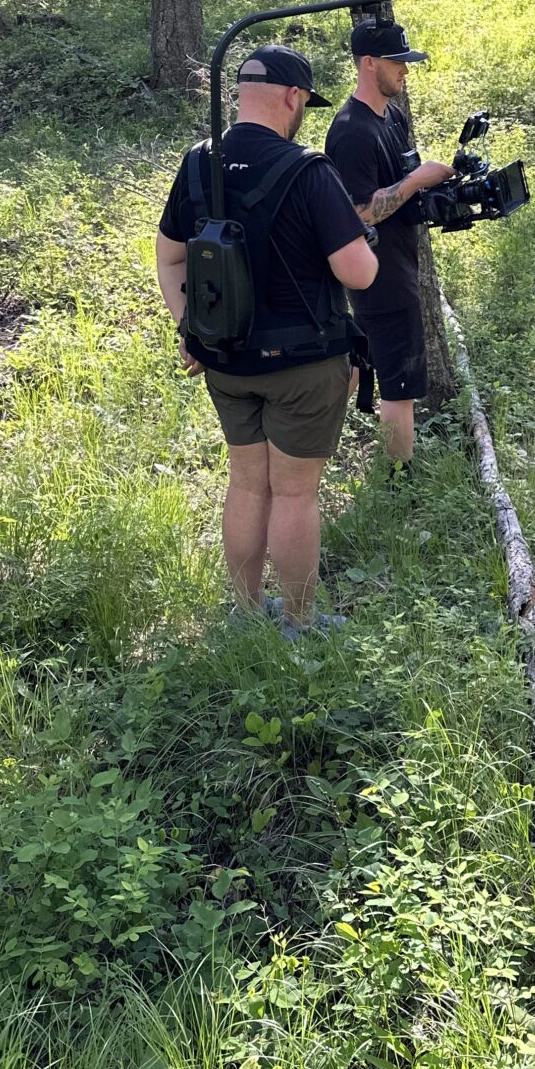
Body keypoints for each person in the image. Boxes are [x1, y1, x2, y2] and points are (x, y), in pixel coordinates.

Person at [154, 44, 378, 632]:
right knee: (297, 494)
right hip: (303, 366)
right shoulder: (309, 170)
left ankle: (248, 613)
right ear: (291, 96)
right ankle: (300, 623)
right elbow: (358, 272)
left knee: (248, 485)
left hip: (225, 362)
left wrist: (189, 324)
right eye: (304, 100)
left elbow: (171, 258)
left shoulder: (199, 160)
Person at [324, 20, 452, 468]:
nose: (405, 71)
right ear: (368, 63)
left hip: (399, 265)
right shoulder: (350, 132)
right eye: (398, 63)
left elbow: (399, 184)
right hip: (377, 277)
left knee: (366, 368)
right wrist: (418, 180)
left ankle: (325, 447)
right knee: (400, 387)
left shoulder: (391, 116)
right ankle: (399, 482)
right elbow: (357, 212)